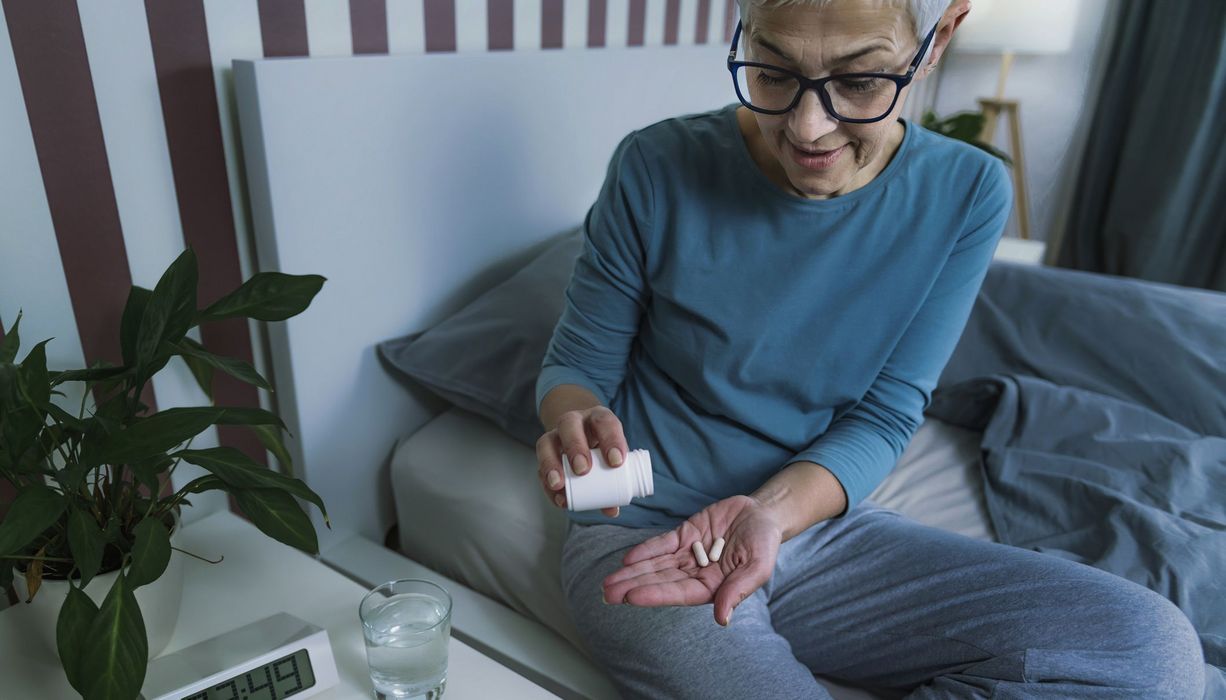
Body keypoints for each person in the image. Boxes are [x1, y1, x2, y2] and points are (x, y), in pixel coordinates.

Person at [533, 0, 1206, 697]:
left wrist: (770, 514)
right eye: (772, 71)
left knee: (1153, 647)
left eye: (858, 83)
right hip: (648, 543)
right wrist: (572, 417)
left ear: (938, 39)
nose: (806, 126)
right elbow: (579, 366)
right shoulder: (656, 165)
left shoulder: (968, 190)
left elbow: (885, 413)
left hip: (808, 526)